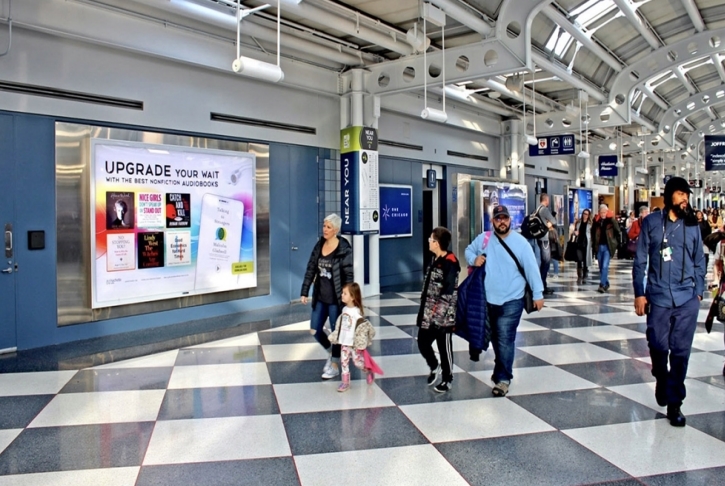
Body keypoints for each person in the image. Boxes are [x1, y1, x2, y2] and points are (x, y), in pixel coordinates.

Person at [633, 177, 705, 427]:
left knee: (681, 352)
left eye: (687, 194)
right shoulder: (652, 223)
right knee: (657, 344)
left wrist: (699, 290)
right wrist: (639, 293)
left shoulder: (692, 225)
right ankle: (661, 378)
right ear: (669, 196)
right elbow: (640, 260)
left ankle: (675, 403)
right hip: (659, 295)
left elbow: (699, 260)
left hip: (687, 297)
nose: (685, 197)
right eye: (680, 193)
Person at [466, 205, 544, 397]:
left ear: (510, 220)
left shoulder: (521, 243)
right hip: (488, 300)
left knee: (505, 338)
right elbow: (469, 250)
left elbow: (532, 268)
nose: (502, 221)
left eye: (505, 218)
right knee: (495, 338)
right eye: (498, 218)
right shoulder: (484, 240)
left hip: (512, 300)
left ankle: (503, 379)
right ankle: (500, 367)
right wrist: (474, 259)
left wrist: (538, 293)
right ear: (493, 221)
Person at [300, 214, 354, 380]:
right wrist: (305, 290)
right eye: (324, 226)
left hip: (336, 299)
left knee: (336, 333)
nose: (325, 229)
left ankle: (335, 365)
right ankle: (332, 352)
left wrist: (349, 298)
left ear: (336, 230)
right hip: (320, 296)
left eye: (329, 227)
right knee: (315, 330)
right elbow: (311, 268)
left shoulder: (344, 248)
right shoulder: (320, 245)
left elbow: (348, 275)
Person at [417, 226, 460, 393]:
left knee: (444, 346)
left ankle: (447, 378)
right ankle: (435, 365)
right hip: (428, 311)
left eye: (431, 240)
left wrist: (439, 315)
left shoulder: (450, 262)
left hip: (443, 316)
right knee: (422, 342)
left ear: (437, 243)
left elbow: (448, 291)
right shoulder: (434, 259)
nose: (429, 242)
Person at [328, 282, 377, 392]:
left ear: (353, 297)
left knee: (357, 362)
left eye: (345, 293)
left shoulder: (356, 313)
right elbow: (340, 324)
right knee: (344, 362)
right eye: (342, 293)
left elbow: (362, 329)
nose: (342, 295)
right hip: (344, 342)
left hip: (354, 344)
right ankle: (345, 382)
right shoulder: (344, 310)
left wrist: (361, 343)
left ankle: (368, 370)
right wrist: (336, 335)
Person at [530, 193, 557, 295]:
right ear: (546, 200)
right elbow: (553, 221)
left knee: (540, 262)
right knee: (545, 263)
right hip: (544, 239)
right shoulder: (544, 209)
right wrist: (549, 223)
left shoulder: (536, 209)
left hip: (537, 238)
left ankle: (540, 284)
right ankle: (542, 285)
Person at [592, 204, 621, 293]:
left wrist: (617, 243)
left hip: (608, 246)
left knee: (605, 266)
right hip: (599, 246)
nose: (603, 214)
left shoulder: (611, 221)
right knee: (601, 267)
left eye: (604, 212)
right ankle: (606, 282)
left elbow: (617, 232)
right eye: (601, 212)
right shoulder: (596, 221)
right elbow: (593, 233)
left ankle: (602, 284)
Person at [571, 209, 592, 284]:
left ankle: (585, 275)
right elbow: (575, 231)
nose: (585, 215)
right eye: (584, 213)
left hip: (586, 243)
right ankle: (579, 276)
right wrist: (575, 233)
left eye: (586, 214)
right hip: (579, 243)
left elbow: (591, 234)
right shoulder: (578, 222)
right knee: (579, 260)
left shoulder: (590, 224)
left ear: (589, 215)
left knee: (586, 260)